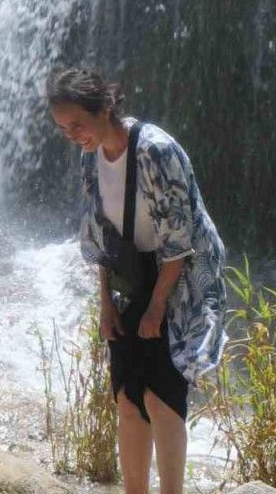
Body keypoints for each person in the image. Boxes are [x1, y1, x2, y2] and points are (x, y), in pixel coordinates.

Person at [47, 68, 225, 494]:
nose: (72, 134)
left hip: (179, 277)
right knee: (128, 397)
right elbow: (100, 234)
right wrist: (106, 302)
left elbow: (180, 241)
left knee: (162, 398)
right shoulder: (90, 156)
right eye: (63, 128)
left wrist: (157, 306)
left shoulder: (156, 151)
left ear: (105, 107)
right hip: (132, 274)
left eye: (77, 124)